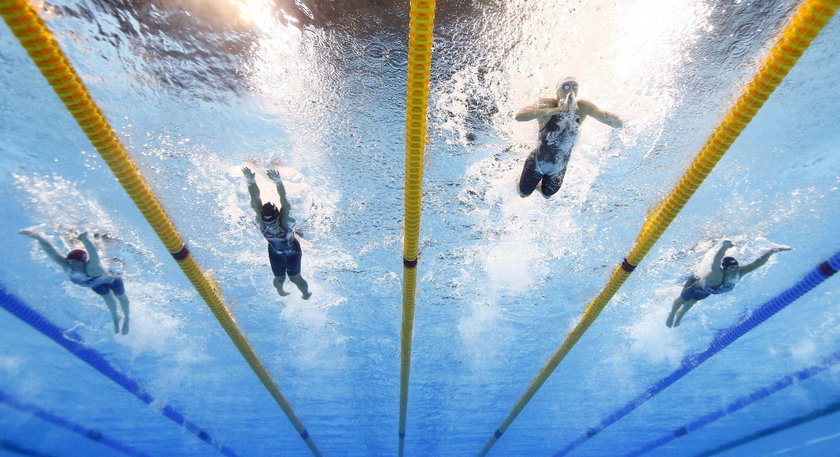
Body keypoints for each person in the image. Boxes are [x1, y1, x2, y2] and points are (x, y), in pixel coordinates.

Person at [515, 76, 624, 197]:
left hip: (558, 168)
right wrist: (552, 111)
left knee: (547, 195)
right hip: (536, 163)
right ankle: (519, 181)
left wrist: (616, 119)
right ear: (557, 90)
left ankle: (538, 187)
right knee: (523, 194)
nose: (570, 90)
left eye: (574, 86)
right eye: (566, 86)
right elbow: (520, 116)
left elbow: (607, 118)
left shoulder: (582, 106)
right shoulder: (547, 103)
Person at [19, 229, 130, 334]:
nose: (72, 265)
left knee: (120, 297)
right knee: (108, 298)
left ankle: (126, 319)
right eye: (70, 262)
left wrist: (85, 240)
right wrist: (38, 237)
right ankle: (115, 317)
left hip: (112, 279)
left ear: (83, 263)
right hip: (95, 283)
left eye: (75, 263)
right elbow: (51, 251)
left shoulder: (92, 269)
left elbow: (94, 255)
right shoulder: (67, 266)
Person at [666, 240, 792, 328]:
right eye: (732, 269)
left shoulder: (739, 273)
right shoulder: (717, 275)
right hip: (695, 285)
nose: (735, 270)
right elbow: (715, 262)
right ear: (725, 270)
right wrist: (724, 247)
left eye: (736, 267)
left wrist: (773, 251)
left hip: (708, 291)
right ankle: (672, 314)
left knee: (692, 302)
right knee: (681, 301)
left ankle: (680, 316)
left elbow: (758, 263)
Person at [242, 167, 311, 300]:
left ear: (278, 218)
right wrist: (250, 181)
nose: (271, 226)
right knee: (279, 279)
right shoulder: (261, 222)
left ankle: (306, 294)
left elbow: (283, 201)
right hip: (274, 251)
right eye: (268, 224)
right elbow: (255, 198)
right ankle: (280, 291)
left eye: (273, 223)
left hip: (292, 250)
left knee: (295, 278)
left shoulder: (283, 222)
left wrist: (279, 182)